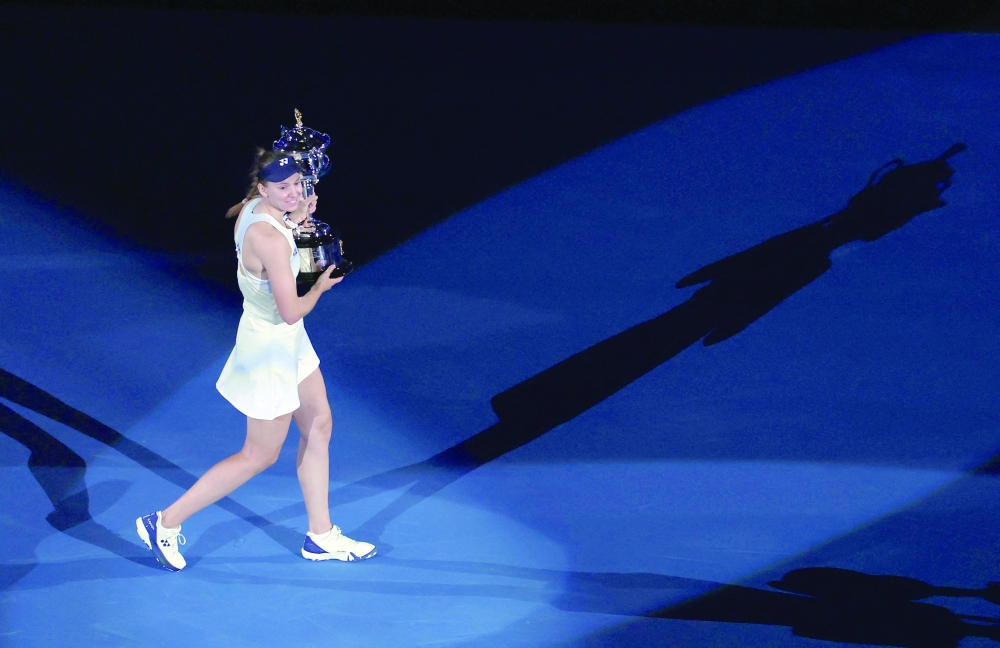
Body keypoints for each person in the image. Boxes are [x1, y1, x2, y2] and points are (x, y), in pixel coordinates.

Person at [136, 149, 376, 572]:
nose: (292, 193)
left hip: (287, 342)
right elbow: (291, 310)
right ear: (262, 188)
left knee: (319, 424)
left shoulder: (253, 207)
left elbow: (285, 242)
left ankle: (320, 536)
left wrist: (298, 218)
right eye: (281, 188)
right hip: (270, 349)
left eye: (297, 185)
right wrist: (320, 287)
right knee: (259, 455)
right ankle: (164, 522)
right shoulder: (266, 238)